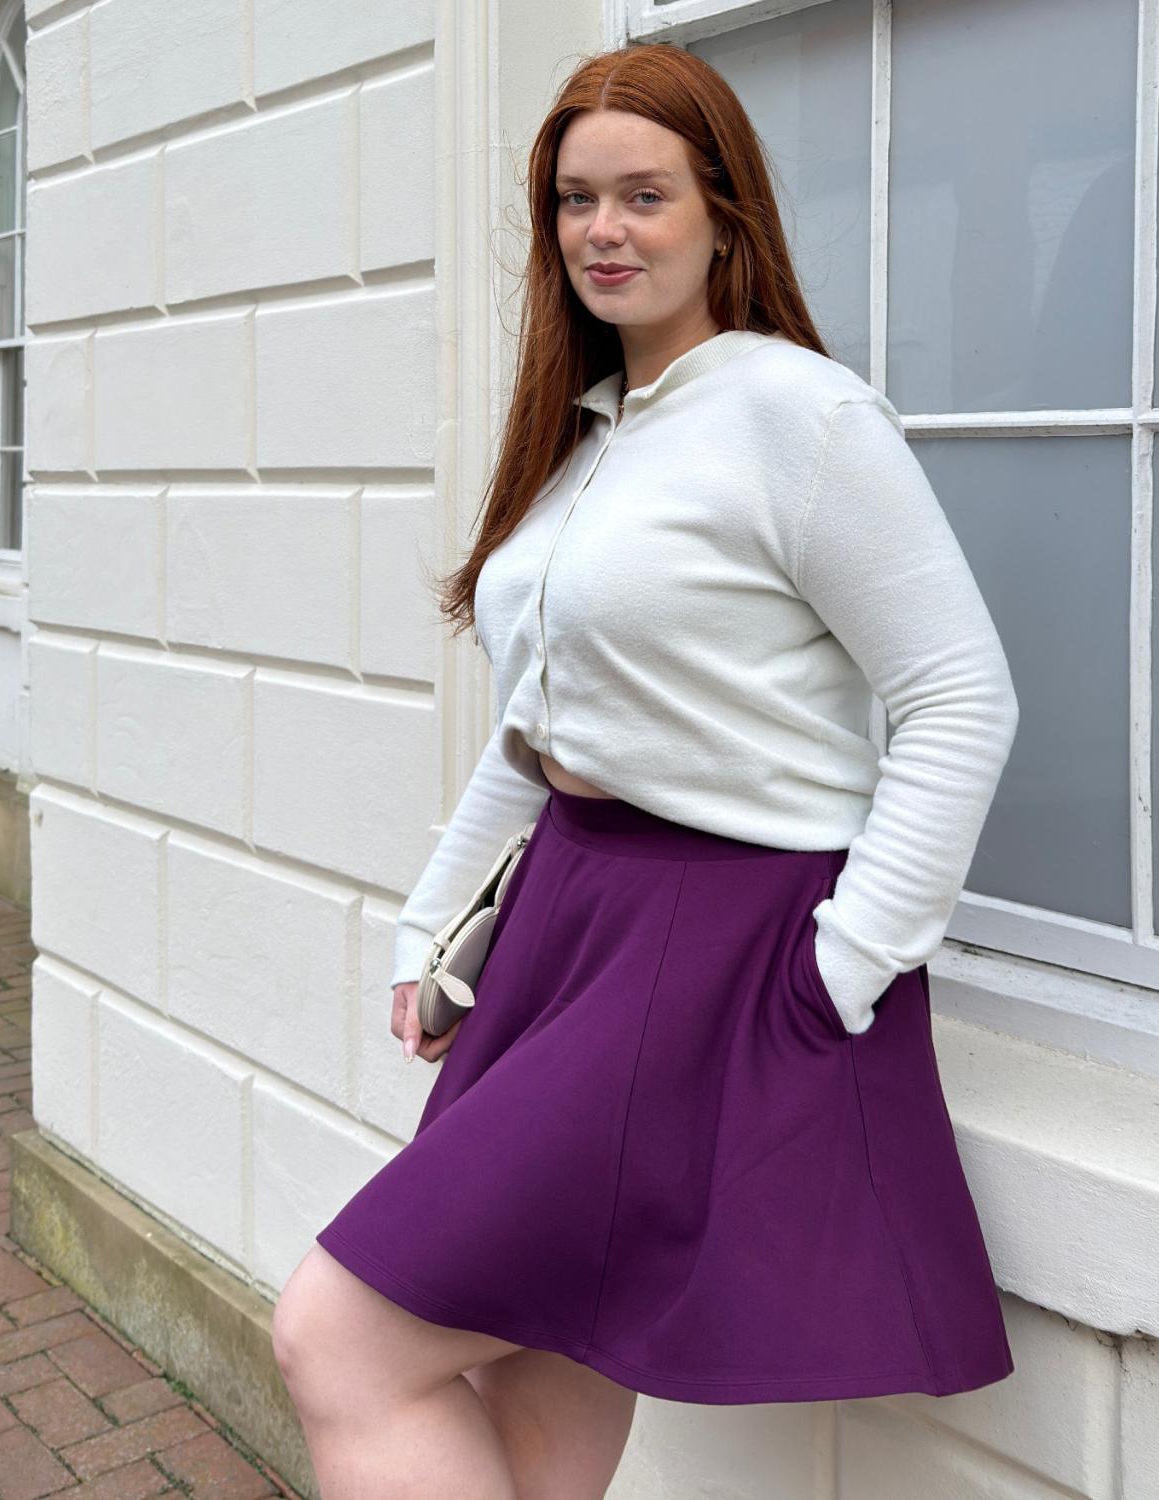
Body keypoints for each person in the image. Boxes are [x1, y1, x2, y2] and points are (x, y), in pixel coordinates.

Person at [271, 38, 1020, 1500]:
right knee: (545, 1354)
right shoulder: (589, 437)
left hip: (715, 945)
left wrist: (843, 965)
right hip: (570, 920)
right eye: (572, 201)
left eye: (644, 195)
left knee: (338, 1338)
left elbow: (957, 696)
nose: (603, 231)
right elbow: (542, 734)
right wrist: (433, 929)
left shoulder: (799, 417)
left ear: (724, 213)